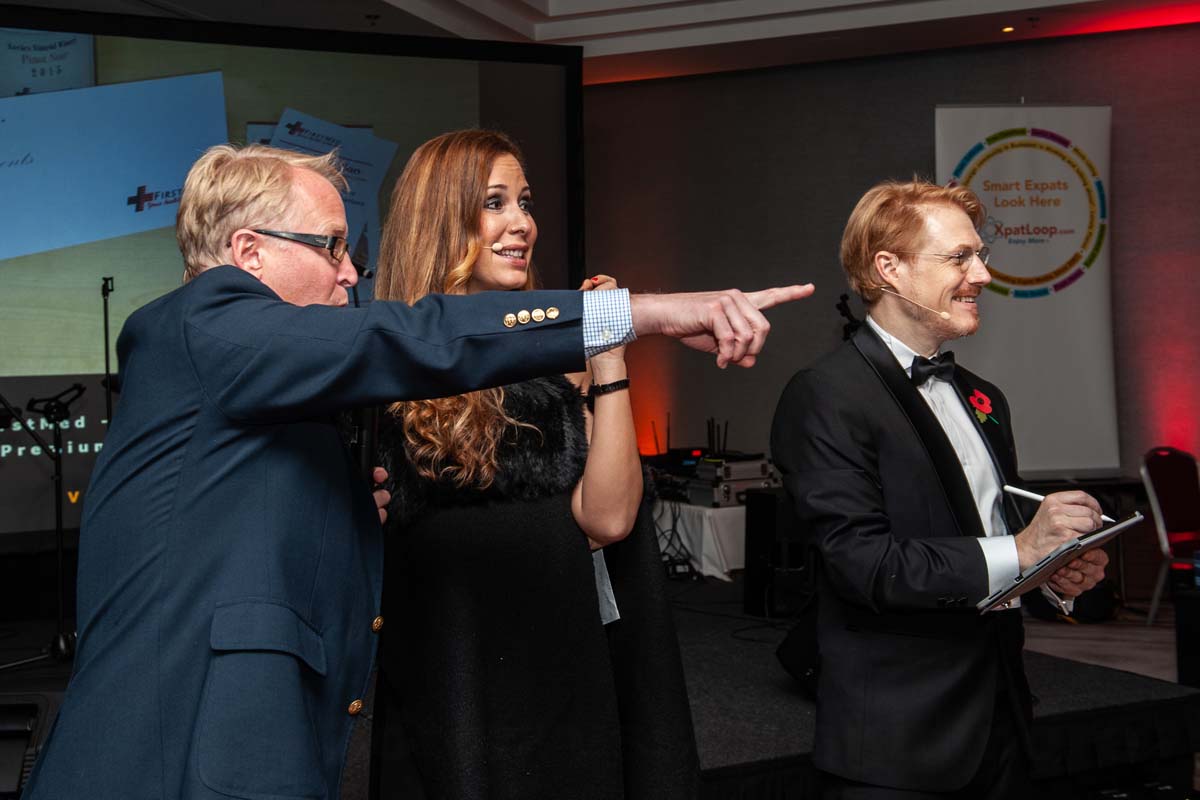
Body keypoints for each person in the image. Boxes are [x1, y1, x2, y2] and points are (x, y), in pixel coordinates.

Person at [21, 142, 810, 800]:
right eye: (331, 246)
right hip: (174, 755)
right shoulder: (205, 320)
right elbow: (405, 335)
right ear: (249, 252)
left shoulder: (257, 375)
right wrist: (645, 313)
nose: (348, 274)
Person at [367, 129, 699, 798]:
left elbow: (608, 520)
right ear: (441, 220)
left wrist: (607, 360)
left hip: (557, 663)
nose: (522, 223)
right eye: (494, 203)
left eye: (525, 202)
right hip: (451, 676)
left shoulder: (552, 364)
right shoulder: (381, 366)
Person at [770, 179, 1108, 799]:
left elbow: (999, 538)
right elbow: (862, 565)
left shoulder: (985, 397)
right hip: (900, 741)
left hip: (1002, 723)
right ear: (889, 269)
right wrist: (1023, 550)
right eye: (959, 257)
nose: (982, 274)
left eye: (980, 255)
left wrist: (1051, 573)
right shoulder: (826, 395)